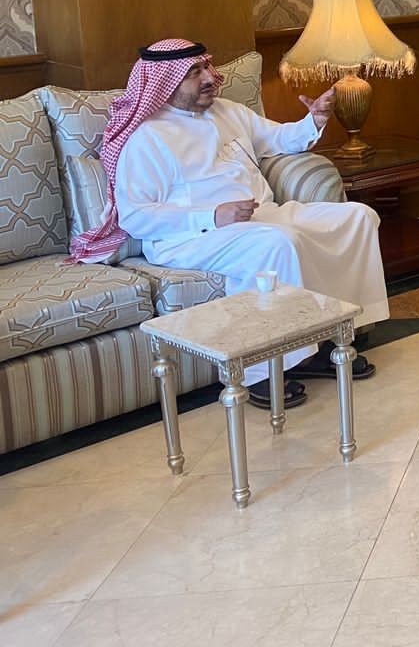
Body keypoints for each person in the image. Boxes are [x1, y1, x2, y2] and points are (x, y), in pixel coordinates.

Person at [71, 39, 389, 409]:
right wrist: (212, 216)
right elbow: (136, 217)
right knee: (275, 242)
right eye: (195, 72)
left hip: (260, 216)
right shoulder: (146, 138)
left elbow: (278, 139)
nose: (210, 77)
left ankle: (332, 339)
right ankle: (262, 372)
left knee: (357, 217)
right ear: (166, 82)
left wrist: (314, 119)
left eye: (207, 66)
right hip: (187, 237)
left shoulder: (229, 111)